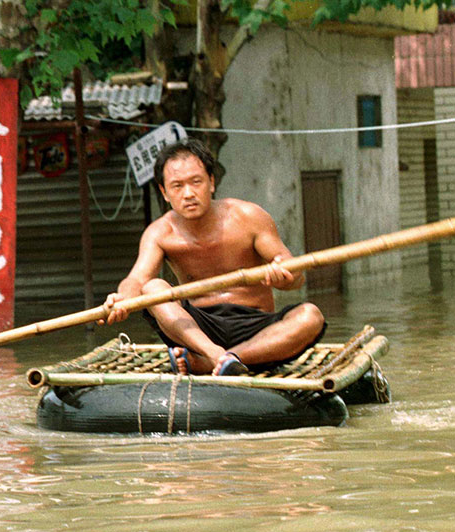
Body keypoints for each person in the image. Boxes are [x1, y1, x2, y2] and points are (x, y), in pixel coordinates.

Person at [99, 138, 325, 376]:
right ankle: (214, 354)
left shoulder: (248, 217)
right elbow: (137, 280)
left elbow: (296, 276)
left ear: (212, 182)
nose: (188, 194)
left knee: (311, 316)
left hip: (256, 330)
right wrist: (122, 298)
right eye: (177, 186)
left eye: (196, 182)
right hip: (197, 332)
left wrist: (284, 277)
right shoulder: (160, 233)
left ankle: (214, 362)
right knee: (153, 288)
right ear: (164, 192)